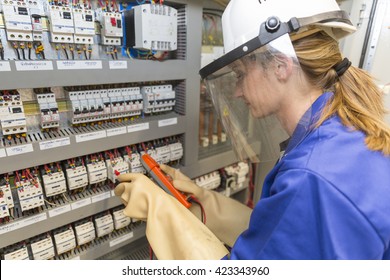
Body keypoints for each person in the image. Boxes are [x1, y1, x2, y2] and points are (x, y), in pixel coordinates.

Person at [115, 0, 390, 259]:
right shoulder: (341, 133)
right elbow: (277, 237)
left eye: (239, 73)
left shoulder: (311, 178)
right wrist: (206, 203)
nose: (236, 92)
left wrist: (159, 209)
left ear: (280, 65)